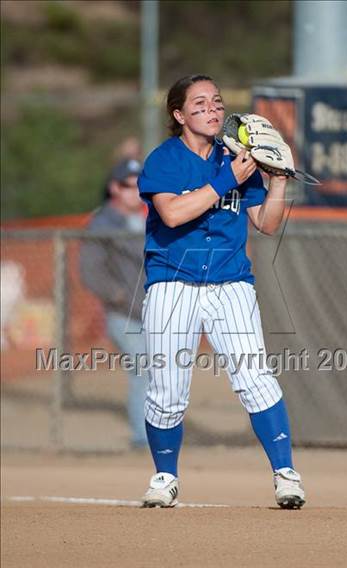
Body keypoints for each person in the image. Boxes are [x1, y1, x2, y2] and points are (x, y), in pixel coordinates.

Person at [138, 74, 305, 508]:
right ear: (179, 115)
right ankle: (165, 477)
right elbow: (172, 214)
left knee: (255, 377)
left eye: (216, 102)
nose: (212, 110)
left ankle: (286, 474)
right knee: (168, 389)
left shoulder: (237, 159)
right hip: (173, 284)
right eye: (199, 104)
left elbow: (266, 224)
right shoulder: (165, 159)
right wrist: (227, 179)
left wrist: (278, 180)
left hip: (231, 284)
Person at [80, 158, 149, 449]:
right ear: (114, 188)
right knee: (144, 371)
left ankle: (160, 434)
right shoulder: (102, 223)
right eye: (127, 185)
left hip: (154, 313)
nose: (134, 191)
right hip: (125, 315)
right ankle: (143, 439)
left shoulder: (147, 217)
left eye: (139, 185)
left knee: (164, 375)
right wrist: (120, 296)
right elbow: (90, 271)